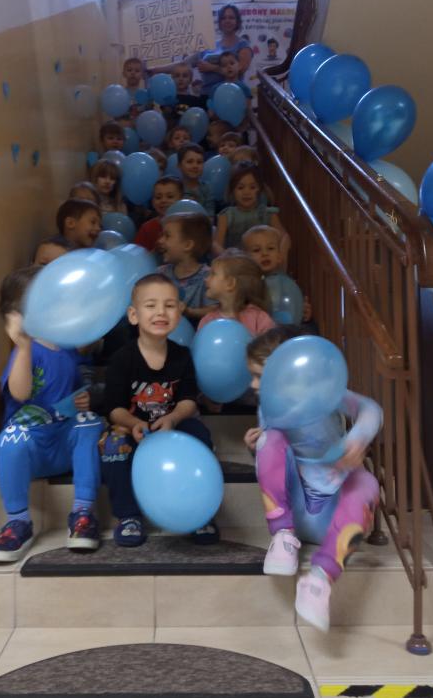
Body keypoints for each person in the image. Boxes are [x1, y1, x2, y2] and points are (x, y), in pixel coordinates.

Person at [243, 325, 381, 632]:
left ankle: (319, 579)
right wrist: (257, 446)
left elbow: (370, 409)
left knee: (368, 484)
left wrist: (358, 438)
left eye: (259, 376)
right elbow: (275, 461)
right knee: (271, 439)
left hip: (334, 514)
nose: (252, 384)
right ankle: (282, 536)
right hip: (295, 510)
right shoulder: (268, 406)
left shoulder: (324, 393)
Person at [0, 266, 103, 562]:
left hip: (63, 444)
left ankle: (83, 513)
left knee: (90, 424)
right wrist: (23, 347)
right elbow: (20, 393)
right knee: (10, 439)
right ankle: (18, 522)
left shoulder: (66, 348)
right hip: (33, 450)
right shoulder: (25, 351)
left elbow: (75, 390)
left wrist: (82, 399)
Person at [100, 273, 219, 546]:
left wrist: (173, 418)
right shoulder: (121, 359)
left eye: (169, 305)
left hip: (172, 427)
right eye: (151, 305)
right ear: (134, 315)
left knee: (199, 434)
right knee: (112, 443)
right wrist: (133, 424)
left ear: (179, 312)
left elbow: (188, 400)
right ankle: (128, 516)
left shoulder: (182, 355)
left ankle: (199, 513)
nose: (161, 312)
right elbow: (114, 408)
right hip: (134, 428)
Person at [152, 5, 253, 98]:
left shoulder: (242, 44)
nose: (227, 20)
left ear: (237, 21)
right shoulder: (210, 45)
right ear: (219, 22)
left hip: (231, 96)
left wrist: (212, 68)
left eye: (231, 17)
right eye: (224, 18)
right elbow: (184, 64)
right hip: (206, 96)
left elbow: (240, 70)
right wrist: (155, 70)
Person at [242, 225, 309, 326]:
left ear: (279, 256)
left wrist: (303, 310)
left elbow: (292, 305)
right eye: (256, 250)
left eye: (270, 248)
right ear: (246, 258)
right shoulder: (247, 284)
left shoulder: (286, 283)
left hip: (284, 328)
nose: (265, 253)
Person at [157, 212, 216, 325]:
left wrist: (189, 312)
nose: (160, 240)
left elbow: (214, 311)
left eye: (167, 236)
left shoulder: (208, 277)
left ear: (187, 245)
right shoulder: (160, 274)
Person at [199, 250, 275, 336]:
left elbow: (271, 343)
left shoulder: (259, 319)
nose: (206, 279)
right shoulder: (207, 321)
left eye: (213, 274)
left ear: (230, 283)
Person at [215, 163, 284, 251]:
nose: (246, 192)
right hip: (236, 258)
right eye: (240, 188)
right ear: (232, 190)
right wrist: (225, 255)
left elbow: (284, 237)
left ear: (259, 189)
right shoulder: (226, 216)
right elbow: (216, 244)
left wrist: (282, 253)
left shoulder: (268, 214)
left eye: (252, 187)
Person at [135, 177, 184, 254]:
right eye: (158, 197)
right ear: (152, 201)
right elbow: (138, 256)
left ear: (181, 199)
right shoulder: (146, 229)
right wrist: (155, 252)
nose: (163, 200)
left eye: (170, 196)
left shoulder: (188, 226)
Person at [177, 143, 214, 217]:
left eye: (199, 162)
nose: (195, 166)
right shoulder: (174, 187)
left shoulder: (206, 188)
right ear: (179, 165)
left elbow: (210, 216)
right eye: (190, 162)